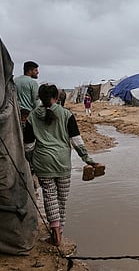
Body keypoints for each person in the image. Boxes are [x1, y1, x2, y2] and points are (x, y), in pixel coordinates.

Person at [23, 84, 99, 247]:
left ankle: (55, 232)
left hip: (43, 163)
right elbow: (76, 141)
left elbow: (28, 145)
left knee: (50, 197)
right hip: (63, 163)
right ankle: (59, 232)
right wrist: (88, 160)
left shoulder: (32, 117)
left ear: (40, 98)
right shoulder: (67, 114)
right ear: (57, 98)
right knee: (62, 199)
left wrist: (31, 161)